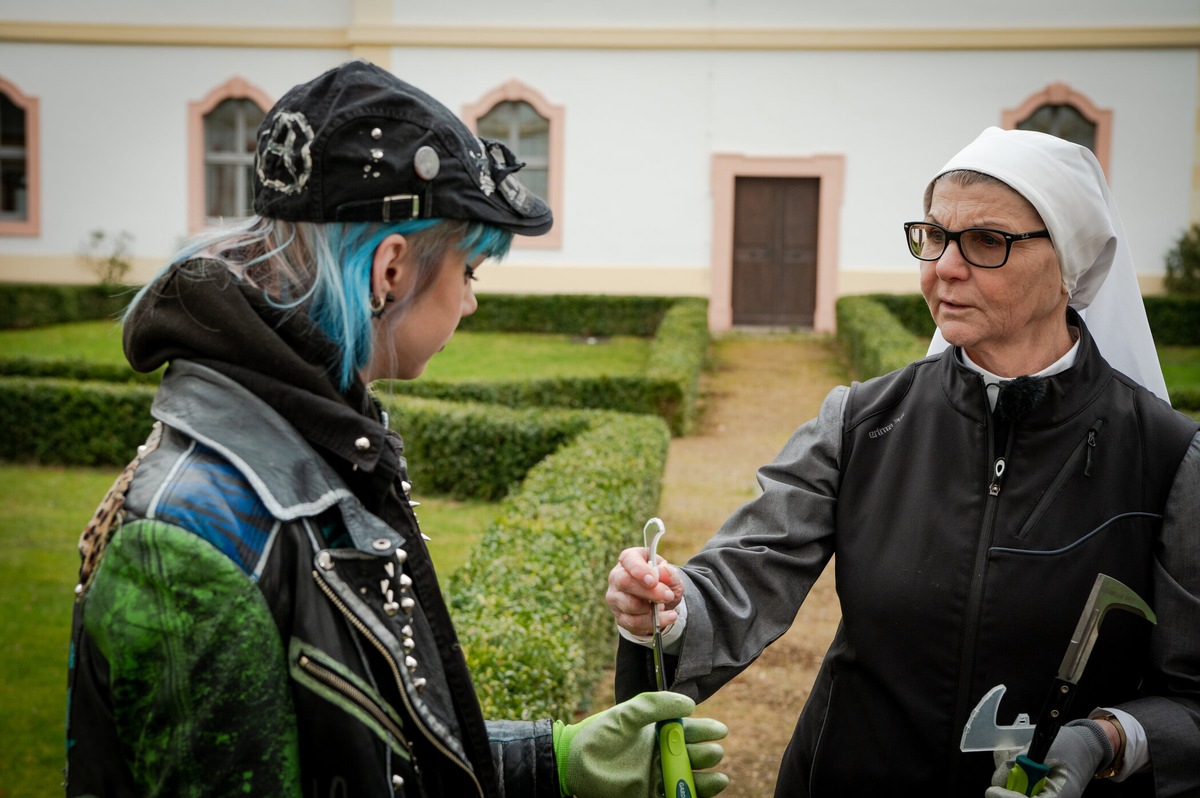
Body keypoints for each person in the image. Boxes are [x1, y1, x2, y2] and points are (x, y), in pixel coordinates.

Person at [65, 60, 729, 798]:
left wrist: (558, 760)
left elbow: (364, 758)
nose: (471, 304)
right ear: (390, 270)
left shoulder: (312, 440)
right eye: (470, 271)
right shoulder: (191, 544)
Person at [606, 126, 1200, 796]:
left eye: (986, 241)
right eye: (933, 235)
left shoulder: (1170, 459)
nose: (944, 265)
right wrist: (668, 610)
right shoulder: (862, 422)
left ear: (1068, 263)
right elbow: (747, 571)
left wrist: (1109, 738)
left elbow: (1192, 697)